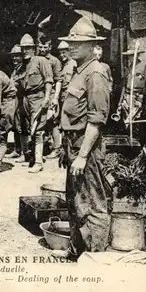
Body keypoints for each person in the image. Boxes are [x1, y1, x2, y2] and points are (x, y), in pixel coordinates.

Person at [54, 17, 112, 259]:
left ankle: (96, 261)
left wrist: (83, 155)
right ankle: (76, 253)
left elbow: (96, 120)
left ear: (92, 46)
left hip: (85, 147)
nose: (72, 46)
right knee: (75, 202)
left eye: (79, 42)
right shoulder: (79, 70)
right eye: (70, 42)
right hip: (73, 146)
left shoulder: (95, 73)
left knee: (92, 206)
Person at [16, 33, 54, 174]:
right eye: (23, 48)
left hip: (38, 98)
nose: (25, 51)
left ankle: (39, 162)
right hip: (26, 99)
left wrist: (47, 99)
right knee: (28, 129)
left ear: (34, 48)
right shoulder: (22, 65)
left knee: (38, 130)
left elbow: (49, 80)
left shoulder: (41, 61)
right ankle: (31, 158)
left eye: (28, 48)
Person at [46, 41, 77, 159]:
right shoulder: (62, 65)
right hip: (62, 97)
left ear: (69, 51)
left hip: (70, 97)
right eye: (60, 53)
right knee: (57, 122)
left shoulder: (73, 64)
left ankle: (65, 150)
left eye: (64, 52)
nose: (62, 55)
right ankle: (59, 149)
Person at [38, 40, 63, 160]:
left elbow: (58, 80)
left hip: (51, 94)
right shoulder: (36, 59)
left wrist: (55, 97)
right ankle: (45, 148)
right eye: (41, 46)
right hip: (40, 95)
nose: (42, 49)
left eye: (45, 46)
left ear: (49, 47)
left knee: (52, 122)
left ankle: (57, 148)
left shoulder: (54, 61)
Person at [5, 45, 25, 159]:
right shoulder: (15, 69)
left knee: (22, 126)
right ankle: (17, 149)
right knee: (16, 125)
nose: (15, 59)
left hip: (22, 100)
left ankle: (24, 151)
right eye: (13, 56)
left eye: (17, 56)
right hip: (15, 100)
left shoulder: (24, 69)